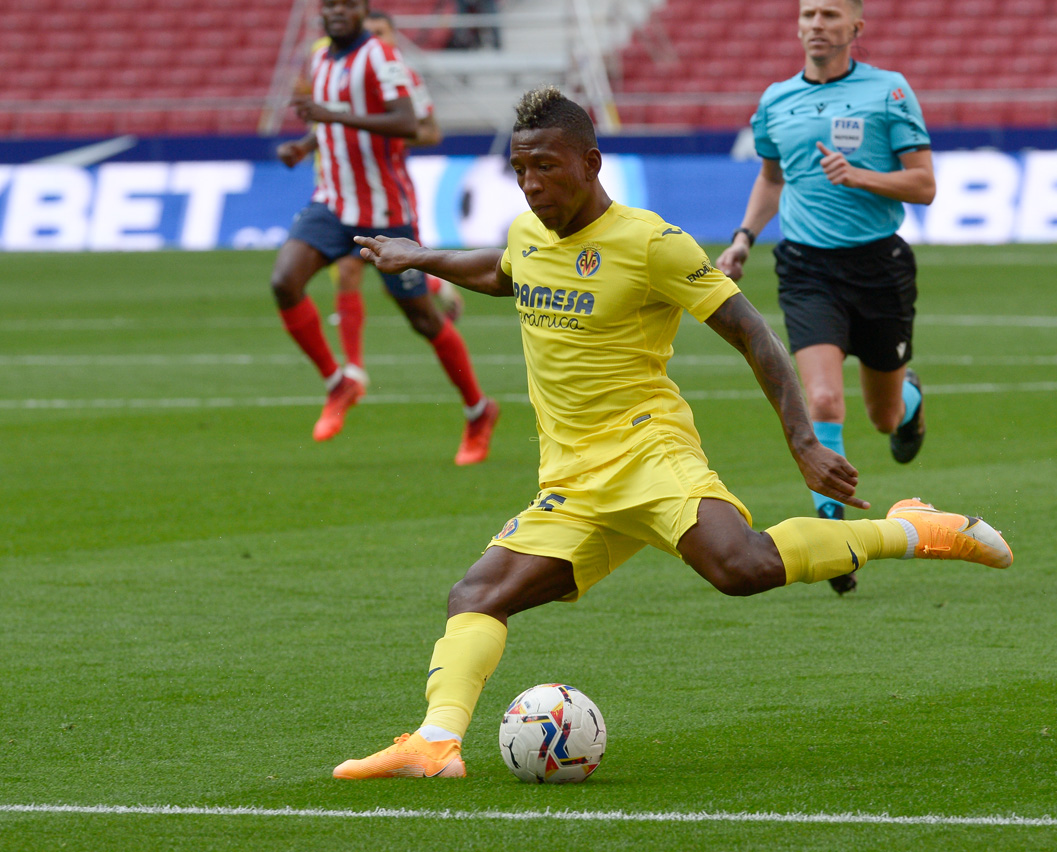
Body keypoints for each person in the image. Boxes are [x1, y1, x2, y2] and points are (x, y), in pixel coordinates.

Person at [330, 86, 1011, 780]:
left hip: (648, 451)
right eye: (521, 171)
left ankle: (910, 529)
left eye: (548, 168)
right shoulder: (527, 233)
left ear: (591, 162)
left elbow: (752, 333)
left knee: (740, 570)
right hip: (572, 481)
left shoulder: (650, 243)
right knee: (475, 596)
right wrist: (421, 256)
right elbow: (507, 272)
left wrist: (803, 439)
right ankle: (435, 743)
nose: (533, 185)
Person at [716, 0, 936, 595]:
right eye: (808, 13)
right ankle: (834, 533)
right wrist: (743, 240)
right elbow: (771, 176)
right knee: (822, 398)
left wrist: (861, 175)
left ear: (855, 28)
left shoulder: (888, 93)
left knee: (882, 414)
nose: (817, 23)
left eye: (831, 15)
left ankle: (909, 400)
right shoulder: (775, 101)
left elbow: (925, 184)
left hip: (880, 267)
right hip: (808, 268)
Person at [273, 0, 499, 464]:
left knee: (422, 320)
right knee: (284, 281)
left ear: (362, 10)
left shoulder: (381, 58)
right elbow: (334, 122)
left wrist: (331, 116)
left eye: (348, 5)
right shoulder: (320, 58)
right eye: (330, 5)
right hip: (331, 201)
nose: (338, 13)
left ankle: (478, 410)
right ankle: (340, 382)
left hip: (382, 211)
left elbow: (408, 124)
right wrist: (305, 144)